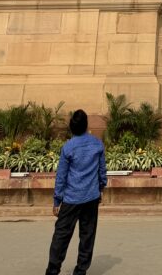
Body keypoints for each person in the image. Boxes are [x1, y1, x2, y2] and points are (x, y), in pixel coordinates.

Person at [45, 109, 107, 275]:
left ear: (72, 128)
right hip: (91, 197)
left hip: (71, 198)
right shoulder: (97, 144)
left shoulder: (68, 147)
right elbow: (102, 171)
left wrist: (57, 200)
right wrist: (101, 188)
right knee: (87, 236)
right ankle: (80, 271)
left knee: (61, 236)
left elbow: (61, 176)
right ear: (86, 125)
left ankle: (52, 270)